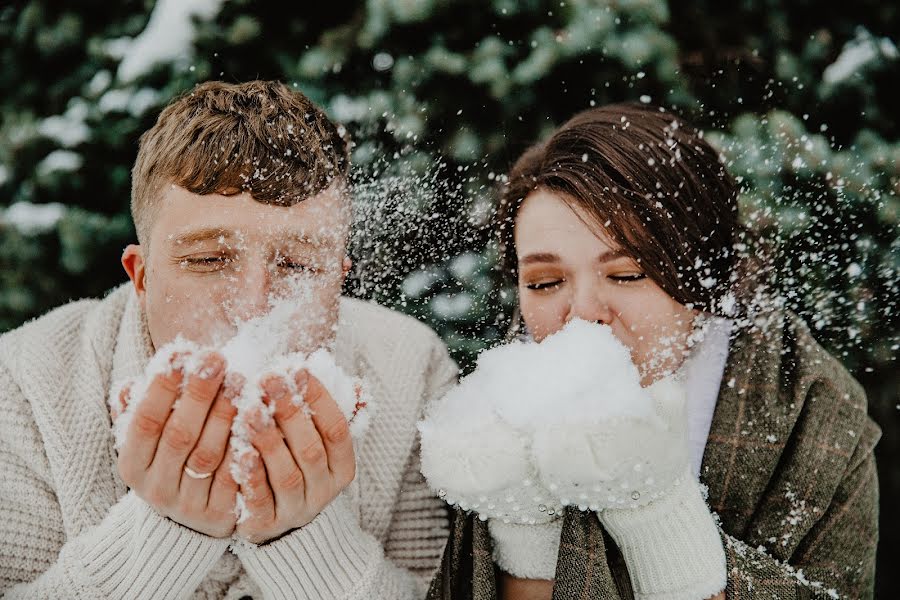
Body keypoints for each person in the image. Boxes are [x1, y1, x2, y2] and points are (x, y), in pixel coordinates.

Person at [0, 80, 458, 599]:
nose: (253, 306)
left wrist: (304, 542)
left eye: (298, 265)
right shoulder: (24, 382)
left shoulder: (408, 368)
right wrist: (165, 534)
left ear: (338, 279)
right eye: (208, 260)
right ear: (142, 276)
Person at [425, 103, 880, 599]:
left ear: (699, 275)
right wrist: (524, 539)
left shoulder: (817, 414)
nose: (582, 313)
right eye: (546, 281)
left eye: (625, 275)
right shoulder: (490, 416)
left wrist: (659, 521)